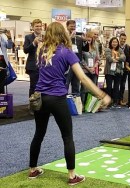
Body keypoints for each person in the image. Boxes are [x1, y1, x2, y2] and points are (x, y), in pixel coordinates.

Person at [28, 22, 111, 185]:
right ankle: (72, 176)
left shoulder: (41, 51)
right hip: (57, 98)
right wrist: (102, 94)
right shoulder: (67, 52)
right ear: (63, 34)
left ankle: (32, 170)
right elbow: (83, 78)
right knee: (67, 137)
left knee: (39, 134)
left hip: (39, 98)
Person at [104, 37, 126, 108]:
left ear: (118, 43)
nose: (114, 43)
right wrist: (117, 59)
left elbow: (124, 58)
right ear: (111, 43)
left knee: (116, 87)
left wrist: (117, 58)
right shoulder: (107, 49)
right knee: (109, 87)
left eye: (116, 42)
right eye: (113, 42)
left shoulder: (120, 50)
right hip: (109, 72)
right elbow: (109, 58)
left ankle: (115, 102)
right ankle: (108, 102)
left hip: (118, 71)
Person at [24, 19, 43, 98]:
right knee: (34, 86)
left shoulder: (45, 37)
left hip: (44, 66)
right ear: (32, 27)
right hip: (33, 66)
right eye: (36, 26)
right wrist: (34, 43)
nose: (38, 28)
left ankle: (42, 106)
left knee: (43, 86)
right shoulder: (28, 37)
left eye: (40, 26)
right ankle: (32, 105)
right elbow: (25, 50)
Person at [80, 31, 100, 106]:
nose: (89, 39)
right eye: (88, 37)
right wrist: (88, 68)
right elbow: (81, 59)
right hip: (85, 70)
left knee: (93, 88)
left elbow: (98, 58)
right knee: (84, 89)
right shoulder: (83, 46)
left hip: (94, 70)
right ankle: (82, 104)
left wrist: (94, 66)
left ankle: (91, 105)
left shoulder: (96, 46)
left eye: (90, 37)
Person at [65, 20, 83, 95]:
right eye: (71, 26)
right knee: (65, 84)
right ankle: (63, 104)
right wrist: (69, 37)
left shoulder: (78, 38)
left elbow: (82, 50)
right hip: (67, 65)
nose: (73, 28)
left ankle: (76, 104)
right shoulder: (63, 36)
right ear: (67, 26)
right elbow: (62, 47)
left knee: (76, 85)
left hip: (76, 64)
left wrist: (86, 41)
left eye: (74, 26)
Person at [0, 29, 13, 94]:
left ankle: (2, 101)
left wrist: (9, 38)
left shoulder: (2, 37)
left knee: (2, 83)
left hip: (2, 62)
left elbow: (10, 46)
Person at [118, 33, 130, 106]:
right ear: (119, 38)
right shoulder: (116, 46)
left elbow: (128, 57)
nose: (123, 40)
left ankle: (121, 100)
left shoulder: (127, 47)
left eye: (124, 39)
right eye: (122, 38)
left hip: (125, 69)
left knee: (122, 85)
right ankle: (114, 100)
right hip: (117, 69)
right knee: (116, 85)